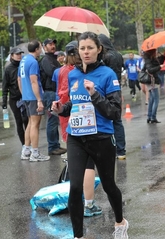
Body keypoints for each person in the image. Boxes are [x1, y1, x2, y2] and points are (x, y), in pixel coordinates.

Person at [51, 31, 128, 239]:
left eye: (89, 48)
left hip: (102, 137)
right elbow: (73, 105)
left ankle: (120, 223)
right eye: (82, 48)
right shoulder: (73, 75)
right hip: (76, 137)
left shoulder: (108, 75)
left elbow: (114, 112)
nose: (85, 52)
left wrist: (94, 94)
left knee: (108, 185)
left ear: (98, 50)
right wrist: (60, 109)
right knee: (75, 187)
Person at [57, 41, 102, 217]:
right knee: (88, 163)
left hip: (67, 119)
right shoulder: (78, 73)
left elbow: (61, 94)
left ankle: (79, 202)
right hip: (81, 119)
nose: (85, 53)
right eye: (82, 49)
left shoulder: (60, 71)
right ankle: (88, 204)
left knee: (77, 163)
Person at [18, 40, 50, 162]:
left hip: (26, 96)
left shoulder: (23, 60)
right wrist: (39, 100)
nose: (42, 49)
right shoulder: (33, 62)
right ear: (37, 49)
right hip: (33, 96)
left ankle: (26, 150)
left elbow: (19, 80)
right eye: (41, 47)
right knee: (35, 125)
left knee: (30, 123)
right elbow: (34, 81)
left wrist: (24, 94)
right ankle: (35, 153)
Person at [98, 33, 127, 159]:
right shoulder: (118, 55)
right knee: (117, 121)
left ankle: (108, 149)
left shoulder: (105, 57)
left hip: (106, 89)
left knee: (105, 119)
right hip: (117, 88)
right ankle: (121, 150)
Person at [40, 38, 67, 156]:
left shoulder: (53, 58)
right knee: (52, 119)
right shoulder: (46, 59)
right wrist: (63, 68)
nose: (53, 46)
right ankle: (52, 146)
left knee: (55, 120)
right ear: (44, 46)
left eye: (54, 44)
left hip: (54, 91)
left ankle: (55, 145)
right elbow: (52, 73)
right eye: (50, 44)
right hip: (49, 92)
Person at [2, 47, 28, 146]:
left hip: (25, 97)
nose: (19, 56)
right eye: (17, 54)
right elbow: (5, 86)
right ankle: (24, 145)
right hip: (14, 99)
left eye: (20, 54)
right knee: (19, 121)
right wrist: (4, 102)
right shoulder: (8, 69)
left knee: (27, 120)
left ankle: (29, 143)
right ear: (12, 56)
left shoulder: (23, 66)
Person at [142, 49, 162, 123]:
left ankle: (149, 116)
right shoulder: (149, 60)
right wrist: (159, 67)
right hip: (153, 81)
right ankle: (153, 117)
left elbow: (144, 69)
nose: (156, 52)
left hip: (150, 81)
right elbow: (150, 70)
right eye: (155, 51)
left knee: (151, 99)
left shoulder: (147, 59)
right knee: (156, 99)